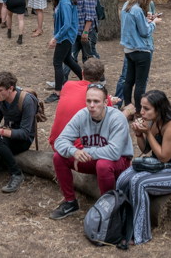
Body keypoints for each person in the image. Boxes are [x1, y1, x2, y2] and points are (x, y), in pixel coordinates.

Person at [118, 90, 171, 245]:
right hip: (156, 165)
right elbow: (145, 149)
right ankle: (122, 225)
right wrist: (139, 134)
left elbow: (164, 156)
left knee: (138, 182)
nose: (142, 112)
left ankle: (140, 234)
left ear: (159, 109)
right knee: (123, 179)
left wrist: (148, 133)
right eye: (141, 107)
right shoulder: (154, 120)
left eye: (146, 109)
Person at [50, 83, 133, 220]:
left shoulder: (117, 118)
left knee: (103, 165)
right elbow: (60, 141)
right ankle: (70, 202)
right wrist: (74, 152)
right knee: (59, 157)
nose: (92, 105)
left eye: (96, 101)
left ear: (106, 102)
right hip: (94, 159)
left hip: (119, 162)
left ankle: (109, 207)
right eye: (88, 101)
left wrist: (84, 152)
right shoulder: (82, 115)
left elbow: (114, 152)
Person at [49, 58, 133, 149]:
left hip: (57, 142)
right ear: (101, 77)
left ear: (82, 72)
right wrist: (127, 111)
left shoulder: (67, 85)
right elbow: (112, 121)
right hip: (80, 148)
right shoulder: (100, 92)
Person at [0, 71, 38, 193]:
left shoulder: (26, 101)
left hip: (23, 139)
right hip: (9, 132)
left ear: (11, 88)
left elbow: (25, 133)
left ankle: (16, 173)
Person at [115, 0, 157, 107]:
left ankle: (128, 106)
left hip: (129, 49)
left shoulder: (126, 6)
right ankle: (139, 110)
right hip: (141, 50)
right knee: (140, 83)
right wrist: (154, 23)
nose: (150, 2)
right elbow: (144, 32)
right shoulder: (138, 10)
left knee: (129, 81)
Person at [46, 0, 82, 104]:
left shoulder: (65, 2)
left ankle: (58, 92)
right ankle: (86, 79)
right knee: (68, 60)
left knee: (57, 62)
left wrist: (56, 37)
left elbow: (67, 24)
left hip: (65, 37)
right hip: (65, 36)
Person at [61, 0, 99, 81]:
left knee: (88, 58)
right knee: (69, 57)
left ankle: (97, 80)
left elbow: (90, 14)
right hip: (74, 31)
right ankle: (62, 80)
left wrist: (86, 32)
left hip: (85, 31)